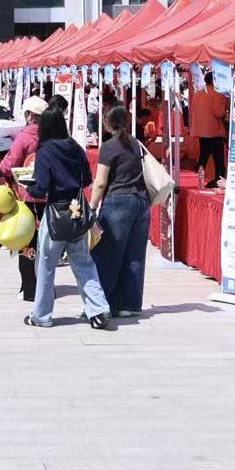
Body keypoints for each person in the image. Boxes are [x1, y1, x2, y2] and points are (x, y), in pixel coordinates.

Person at [25, 106, 110, 329]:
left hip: (55, 212)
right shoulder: (75, 147)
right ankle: (99, 310)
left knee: (46, 265)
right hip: (77, 210)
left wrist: (27, 187)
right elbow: (87, 180)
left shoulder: (44, 151)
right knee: (84, 263)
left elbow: (42, 187)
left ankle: (41, 315)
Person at [89, 106, 150, 319]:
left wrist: (91, 207)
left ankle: (104, 303)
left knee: (108, 256)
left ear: (107, 122)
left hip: (118, 201)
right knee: (134, 256)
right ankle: (130, 304)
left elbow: (100, 182)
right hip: (141, 201)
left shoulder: (108, 147)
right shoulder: (136, 144)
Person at [0, 95, 50, 301]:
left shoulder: (24, 136)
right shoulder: (53, 135)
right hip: (50, 196)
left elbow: (8, 165)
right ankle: (46, 286)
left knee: (27, 241)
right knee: (47, 245)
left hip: (28, 196)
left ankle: (29, 288)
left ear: (29, 115)